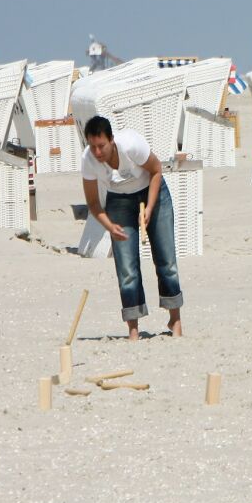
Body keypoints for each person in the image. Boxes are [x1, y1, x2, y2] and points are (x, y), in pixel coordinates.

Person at [81, 115, 183, 340]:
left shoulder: (131, 145)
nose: (98, 152)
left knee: (166, 259)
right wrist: (110, 226)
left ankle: (175, 319)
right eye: (93, 146)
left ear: (111, 140)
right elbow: (93, 203)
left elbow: (156, 170)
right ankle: (133, 330)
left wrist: (149, 209)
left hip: (153, 191)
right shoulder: (88, 160)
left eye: (102, 146)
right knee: (127, 268)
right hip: (118, 201)